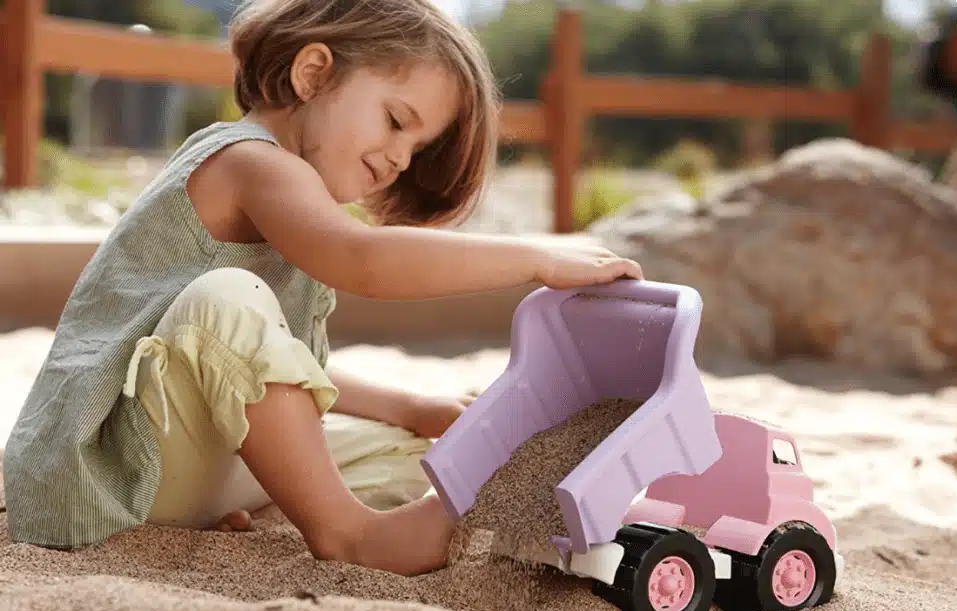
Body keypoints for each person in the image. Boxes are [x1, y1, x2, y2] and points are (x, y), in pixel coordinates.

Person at [2, 0, 643, 578]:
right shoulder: (249, 162)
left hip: (183, 467)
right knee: (225, 298)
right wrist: (536, 257)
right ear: (312, 74)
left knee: (421, 452)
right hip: (109, 466)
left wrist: (409, 407)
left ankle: (266, 506)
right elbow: (363, 261)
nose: (400, 158)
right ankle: (352, 534)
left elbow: (281, 370)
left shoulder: (295, 202)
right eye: (395, 120)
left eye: (417, 148)